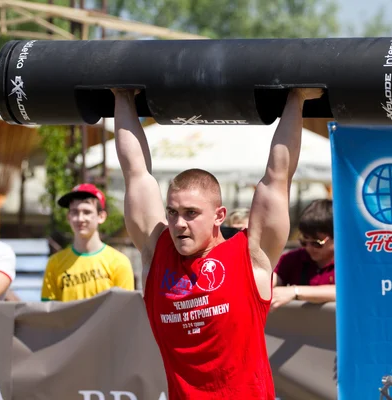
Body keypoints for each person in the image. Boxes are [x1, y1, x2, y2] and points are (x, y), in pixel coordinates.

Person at [111, 86, 323, 399]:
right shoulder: (157, 253)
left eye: (191, 213)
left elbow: (277, 177)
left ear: (219, 215)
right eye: (172, 212)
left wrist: (297, 98)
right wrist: (121, 96)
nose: (178, 223)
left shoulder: (251, 256)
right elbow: (136, 174)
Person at [41, 183, 135, 301]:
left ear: (101, 216)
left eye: (87, 212)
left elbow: (125, 311)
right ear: (68, 217)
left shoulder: (119, 263)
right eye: (74, 212)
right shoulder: (54, 263)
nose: (80, 218)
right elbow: (48, 313)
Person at [271, 199, 336, 310]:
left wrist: (294, 291)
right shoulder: (292, 259)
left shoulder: (351, 263)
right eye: (304, 241)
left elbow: (348, 292)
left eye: (317, 243)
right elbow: (270, 282)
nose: (309, 247)